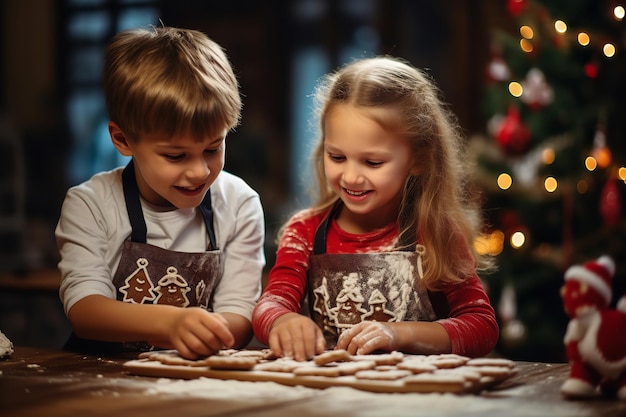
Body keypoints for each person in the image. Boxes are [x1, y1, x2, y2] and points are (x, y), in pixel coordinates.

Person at [252, 56, 498, 361]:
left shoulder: (433, 232)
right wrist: (282, 320)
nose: (352, 177)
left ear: (418, 159)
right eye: (337, 157)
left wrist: (399, 334)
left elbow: (481, 326)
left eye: (373, 162)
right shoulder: (305, 232)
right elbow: (269, 305)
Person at [55, 26, 265, 359]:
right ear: (123, 140)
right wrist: (171, 324)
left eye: (213, 148)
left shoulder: (238, 203)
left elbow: (240, 311)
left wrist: (213, 333)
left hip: (192, 377)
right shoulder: (91, 203)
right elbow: (85, 311)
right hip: (101, 378)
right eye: (176, 156)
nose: (199, 170)